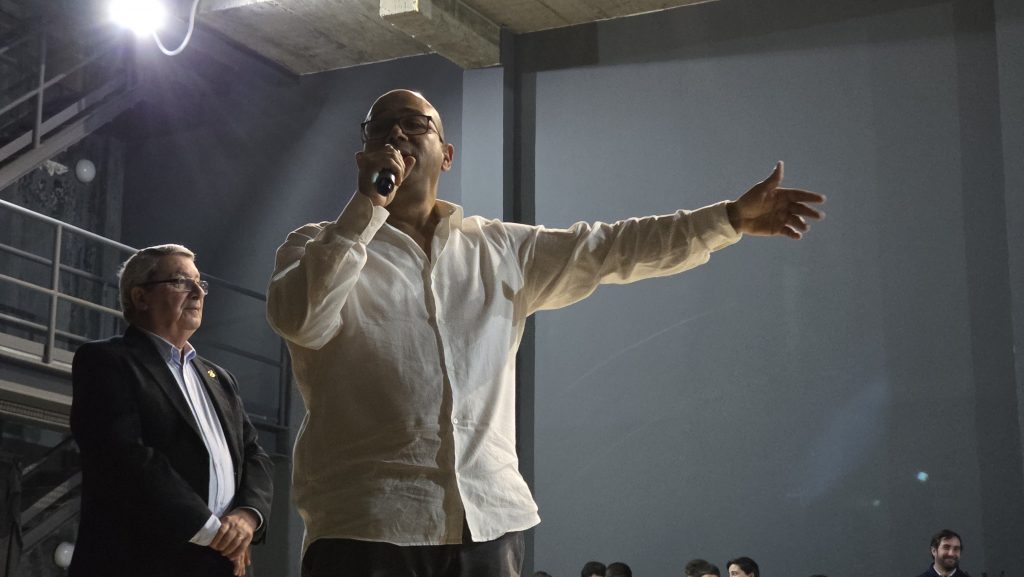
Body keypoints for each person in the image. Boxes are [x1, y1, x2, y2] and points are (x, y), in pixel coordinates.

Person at [266, 89, 825, 577]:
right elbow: (301, 321)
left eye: (415, 123)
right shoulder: (315, 244)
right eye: (381, 127)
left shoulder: (497, 249)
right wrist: (365, 210)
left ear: (447, 154)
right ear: (362, 155)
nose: (397, 134)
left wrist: (727, 219)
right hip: (365, 525)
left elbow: (609, 247)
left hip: (488, 523)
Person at [70, 244, 274, 577]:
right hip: (139, 562)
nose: (198, 292)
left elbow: (255, 455)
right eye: (181, 281)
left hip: (219, 562)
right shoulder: (106, 361)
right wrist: (215, 533)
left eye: (200, 283)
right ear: (141, 297)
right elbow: (125, 457)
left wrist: (247, 517)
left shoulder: (219, 378)